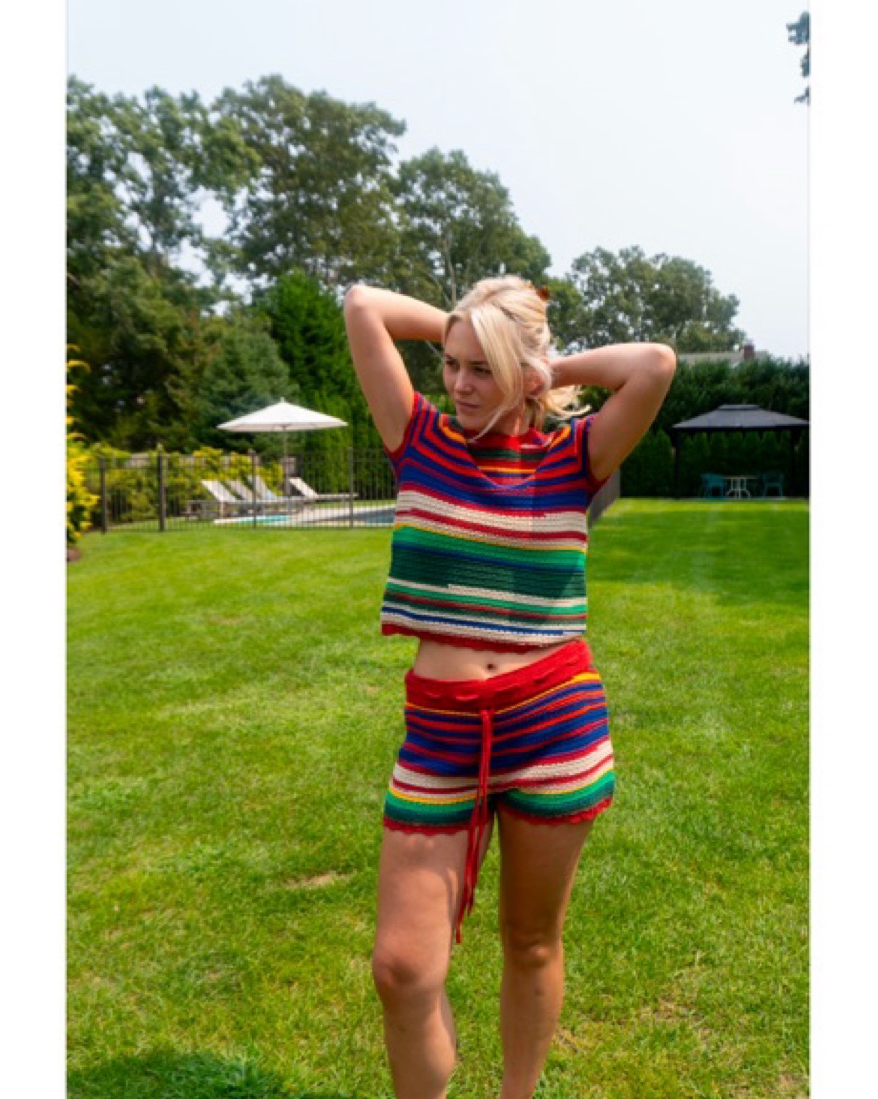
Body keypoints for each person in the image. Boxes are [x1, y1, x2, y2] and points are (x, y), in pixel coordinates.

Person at [343, 275, 675, 1099]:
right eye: (451, 363)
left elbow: (655, 364)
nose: (458, 384)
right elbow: (362, 305)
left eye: (480, 368)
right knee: (401, 967)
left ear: (524, 376)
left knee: (530, 941)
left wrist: (538, 367)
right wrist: (468, 327)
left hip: (554, 726)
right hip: (440, 735)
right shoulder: (417, 434)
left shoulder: (574, 455)